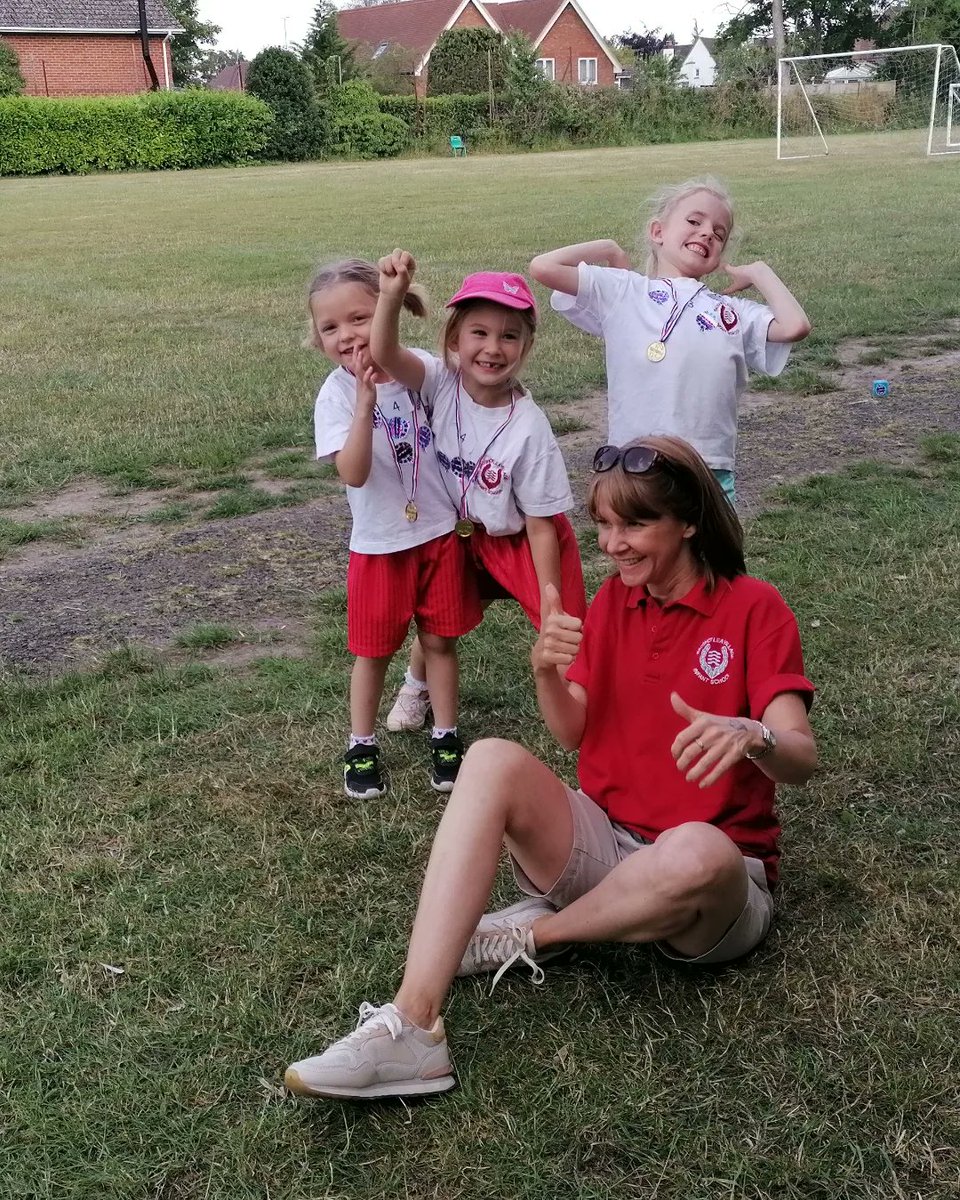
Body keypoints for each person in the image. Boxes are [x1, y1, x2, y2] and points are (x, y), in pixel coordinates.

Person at [284, 435, 818, 1100]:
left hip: (712, 884)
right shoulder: (616, 602)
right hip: (608, 840)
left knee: (699, 852)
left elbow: (802, 758)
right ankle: (413, 1029)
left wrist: (756, 735)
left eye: (636, 524)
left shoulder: (754, 607)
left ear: (689, 523)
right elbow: (573, 732)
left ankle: (530, 935)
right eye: (604, 525)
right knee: (490, 760)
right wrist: (545, 670)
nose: (614, 544)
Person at [373, 250, 587, 735]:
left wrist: (550, 599)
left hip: (520, 539)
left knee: (568, 630)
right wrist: (390, 297)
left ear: (526, 348)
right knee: (436, 617)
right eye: (480, 333)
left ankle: (585, 702)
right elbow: (385, 355)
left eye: (510, 336)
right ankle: (415, 687)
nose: (494, 348)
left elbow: (539, 522)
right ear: (453, 340)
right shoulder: (438, 381)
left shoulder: (529, 428)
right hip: (456, 533)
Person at [309, 259, 482, 800]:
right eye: (329, 328)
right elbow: (353, 472)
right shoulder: (335, 396)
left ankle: (446, 737)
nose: (346, 336)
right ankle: (360, 746)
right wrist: (363, 407)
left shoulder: (416, 373)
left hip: (435, 534)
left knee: (439, 641)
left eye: (358, 318)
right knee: (373, 651)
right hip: (380, 546)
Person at [529, 176, 812, 503]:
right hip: (633, 466)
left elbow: (795, 326)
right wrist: (609, 248)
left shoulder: (729, 311)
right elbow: (543, 267)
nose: (707, 232)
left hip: (708, 469)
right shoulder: (625, 290)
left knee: (710, 556)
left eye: (719, 233)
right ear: (658, 232)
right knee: (636, 553)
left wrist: (760, 272)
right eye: (694, 221)